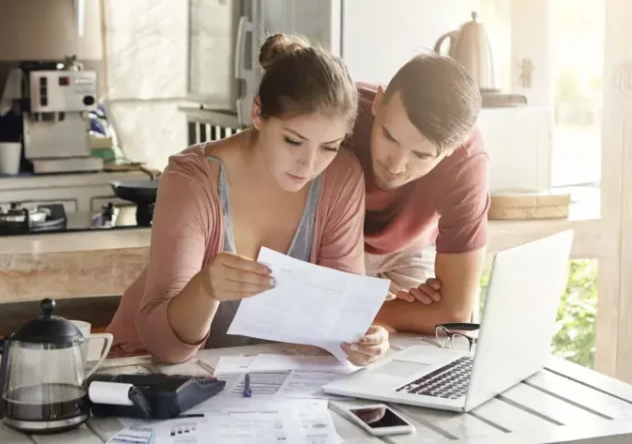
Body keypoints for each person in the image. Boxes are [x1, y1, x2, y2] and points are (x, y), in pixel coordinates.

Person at [106, 34, 390, 366]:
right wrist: (205, 289)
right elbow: (165, 350)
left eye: (328, 147)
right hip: (148, 374)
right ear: (257, 113)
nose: (309, 164)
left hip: (254, 381)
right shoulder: (192, 180)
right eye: (293, 141)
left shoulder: (341, 176)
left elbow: (338, 316)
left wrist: (361, 339)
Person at [347, 54, 489, 335]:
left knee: (433, 345)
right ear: (377, 102)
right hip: (330, 244)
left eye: (422, 155)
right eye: (389, 137)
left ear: (453, 149)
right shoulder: (341, 110)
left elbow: (454, 314)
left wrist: (355, 309)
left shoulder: (467, 160)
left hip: (407, 251)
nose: (395, 166)